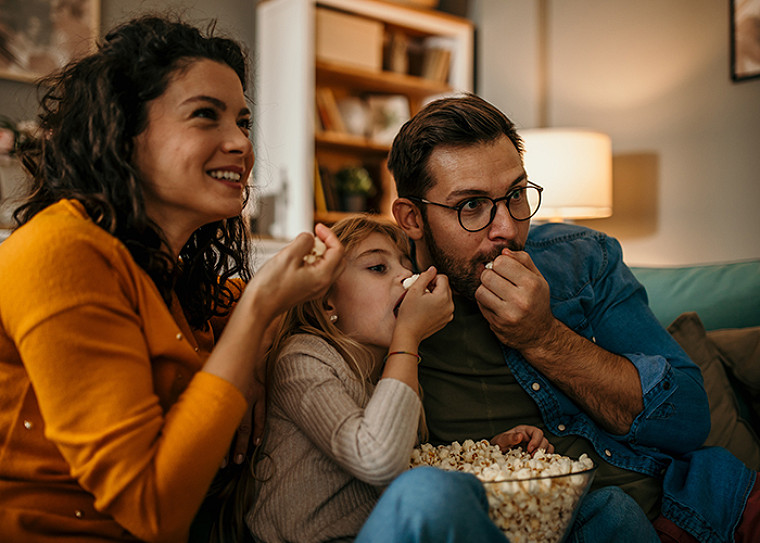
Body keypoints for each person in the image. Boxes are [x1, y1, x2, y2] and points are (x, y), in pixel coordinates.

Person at [0, 16, 344, 542]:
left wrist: (260, 323)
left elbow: (252, 307)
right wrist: (257, 314)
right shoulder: (61, 253)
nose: (241, 144)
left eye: (244, 122)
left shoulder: (173, 271)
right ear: (122, 132)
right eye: (205, 115)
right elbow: (152, 511)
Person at [387, 93, 760, 542]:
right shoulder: (376, 299)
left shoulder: (581, 259)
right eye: (471, 206)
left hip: (692, 506)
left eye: (516, 195)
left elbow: (687, 419)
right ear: (411, 218)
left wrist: (543, 336)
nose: (506, 227)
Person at [242, 215, 655, 543]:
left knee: (607, 509)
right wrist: (409, 337)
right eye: (377, 267)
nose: (406, 278)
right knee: (430, 491)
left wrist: (487, 454)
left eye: (405, 265)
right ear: (326, 298)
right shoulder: (304, 358)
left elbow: (409, 465)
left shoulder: (392, 372)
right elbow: (379, 460)